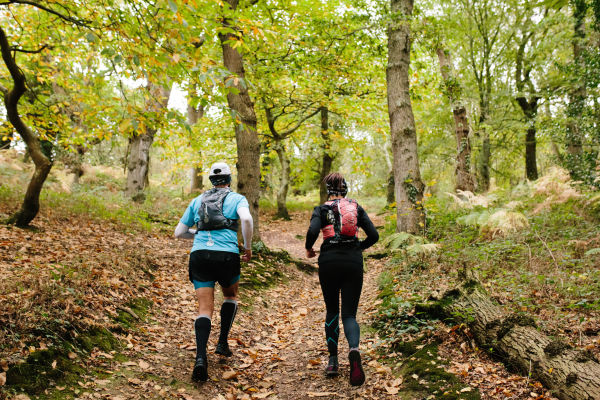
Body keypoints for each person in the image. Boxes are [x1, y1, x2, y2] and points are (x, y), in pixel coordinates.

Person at [174, 162, 253, 382]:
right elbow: (246, 219)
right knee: (230, 295)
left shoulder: (197, 201)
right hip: (226, 255)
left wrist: (198, 234)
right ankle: (222, 342)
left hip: (199, 255)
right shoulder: (237, 199)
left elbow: (179, 232)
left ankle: (200, 358)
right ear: (230, 179)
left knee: (204, 308)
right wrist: (247, 247)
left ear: (211, 181)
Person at [305, 173, 379, 386]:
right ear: (346, 190)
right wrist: (358, 248)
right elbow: (373, 235)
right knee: (349, 314)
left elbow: (312, 231)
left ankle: (333, 361)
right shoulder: (356, 207)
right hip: (353, 262)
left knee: (331, 310)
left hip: (328, 261)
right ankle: (354, 351)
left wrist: (309, 248)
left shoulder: (321, 209)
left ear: (328, 191)